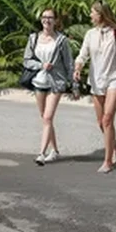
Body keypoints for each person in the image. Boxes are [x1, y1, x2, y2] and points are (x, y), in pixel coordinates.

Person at [72, 0, 116, 173]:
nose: (90, 15)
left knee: (107, 119)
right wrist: (78, 68)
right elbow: (82, 55)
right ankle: (115, 144)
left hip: (114, 80)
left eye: (92, 12)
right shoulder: (90, 34)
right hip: (96, 81)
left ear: (101, 14)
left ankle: (108, 161)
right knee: (101, 122)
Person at [22, 8, 76, 164]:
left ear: (55, 20)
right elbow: (26, 60)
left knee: (47, 117)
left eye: (50, 17)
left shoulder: (61, 41)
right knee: (45, 119)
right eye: (44, 17)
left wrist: (74, 85)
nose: (47, 20)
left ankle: (41, 153)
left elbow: (69, 63)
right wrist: (40, 65)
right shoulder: (33, 39)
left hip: (56, 83)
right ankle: (55, 150)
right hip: (39, 81)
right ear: (40, 20)